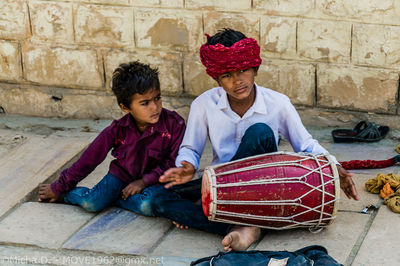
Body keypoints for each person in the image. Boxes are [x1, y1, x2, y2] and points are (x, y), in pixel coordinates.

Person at [158, 29, 359, 251]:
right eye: (226, 75)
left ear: (255, 68)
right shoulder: (203, 105)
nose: (237, 81)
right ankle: (249, 225)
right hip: (218, 184)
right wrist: (187, 165)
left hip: (267, 186)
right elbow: (190, 149)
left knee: (261, 132)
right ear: (216, 78)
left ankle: (215, 214)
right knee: (158, 199)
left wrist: (335, 166)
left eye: (243, 70)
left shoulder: (278, 103)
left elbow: (306, 144)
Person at [38, 61, 186, 216]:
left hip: (155, 181)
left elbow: (174, 162)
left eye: (157, 98)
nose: (155, 107)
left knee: (148, 205)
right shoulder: (117, 131)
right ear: (125, 107)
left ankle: (116, 199)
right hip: (121, 177)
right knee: (92, 203)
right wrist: (59, 188)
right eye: (145, 103)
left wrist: (144, 182)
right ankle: (70, 196)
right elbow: (87, 161)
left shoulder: (174, 124)